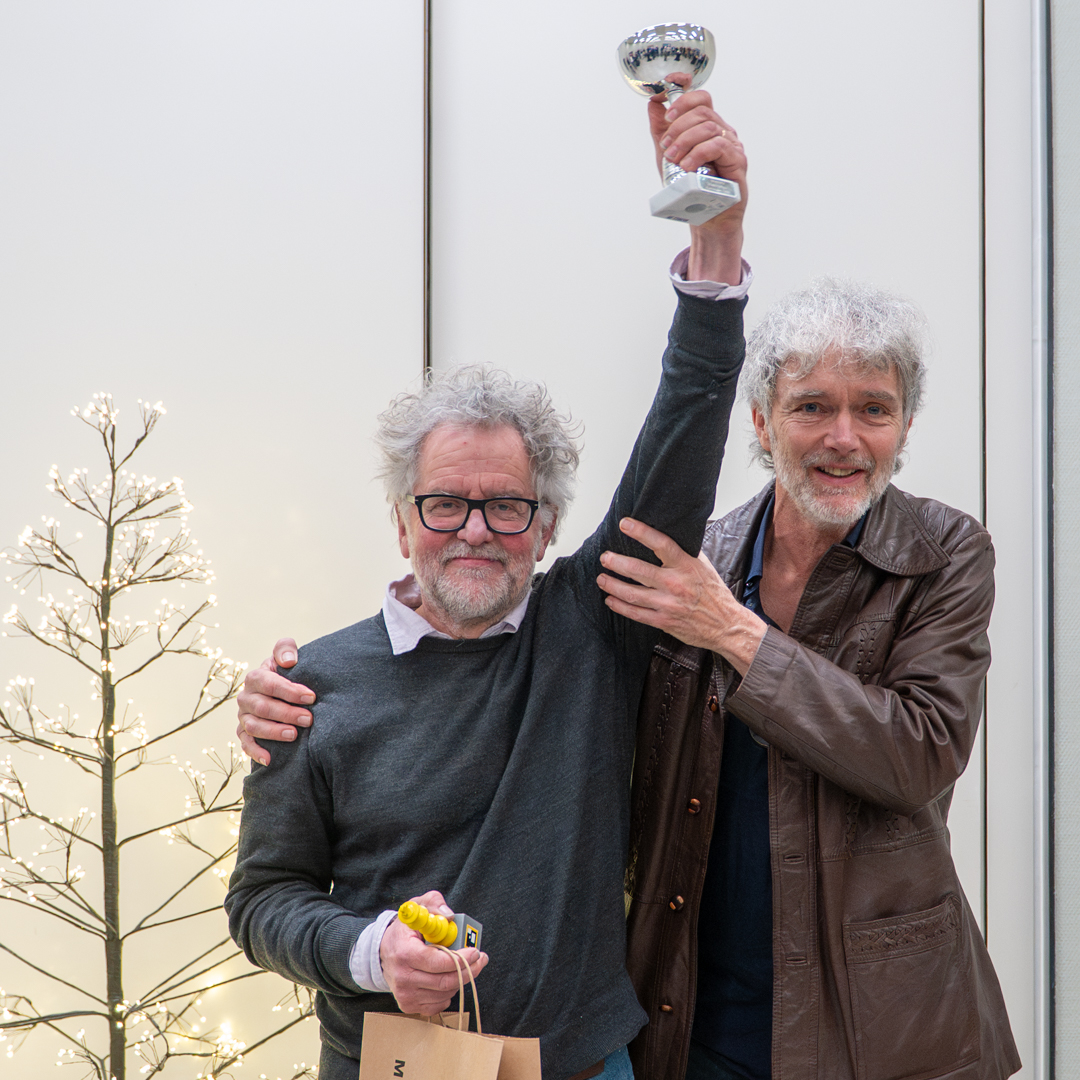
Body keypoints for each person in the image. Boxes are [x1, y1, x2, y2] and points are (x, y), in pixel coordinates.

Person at [226, 90, 751, 1080]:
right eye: (445, 504)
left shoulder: (590, 629)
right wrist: (372, 951)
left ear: (546, 527)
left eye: (506, 506)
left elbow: (680, 439)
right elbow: (261, 903)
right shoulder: (310, 688)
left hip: (582, 1063)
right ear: (401, 520)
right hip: (393, 1066)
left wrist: (715, 249)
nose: (474, 530)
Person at [593, 279, 1021, 1080]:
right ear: (762, 420)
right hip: (695, 1022)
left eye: (874, 409)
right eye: (813, 407)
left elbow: (918, 753)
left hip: (882, 1034)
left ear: (905, 426)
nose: (843, 438)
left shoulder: (945, 554)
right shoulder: (704, 562)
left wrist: (734, 632)